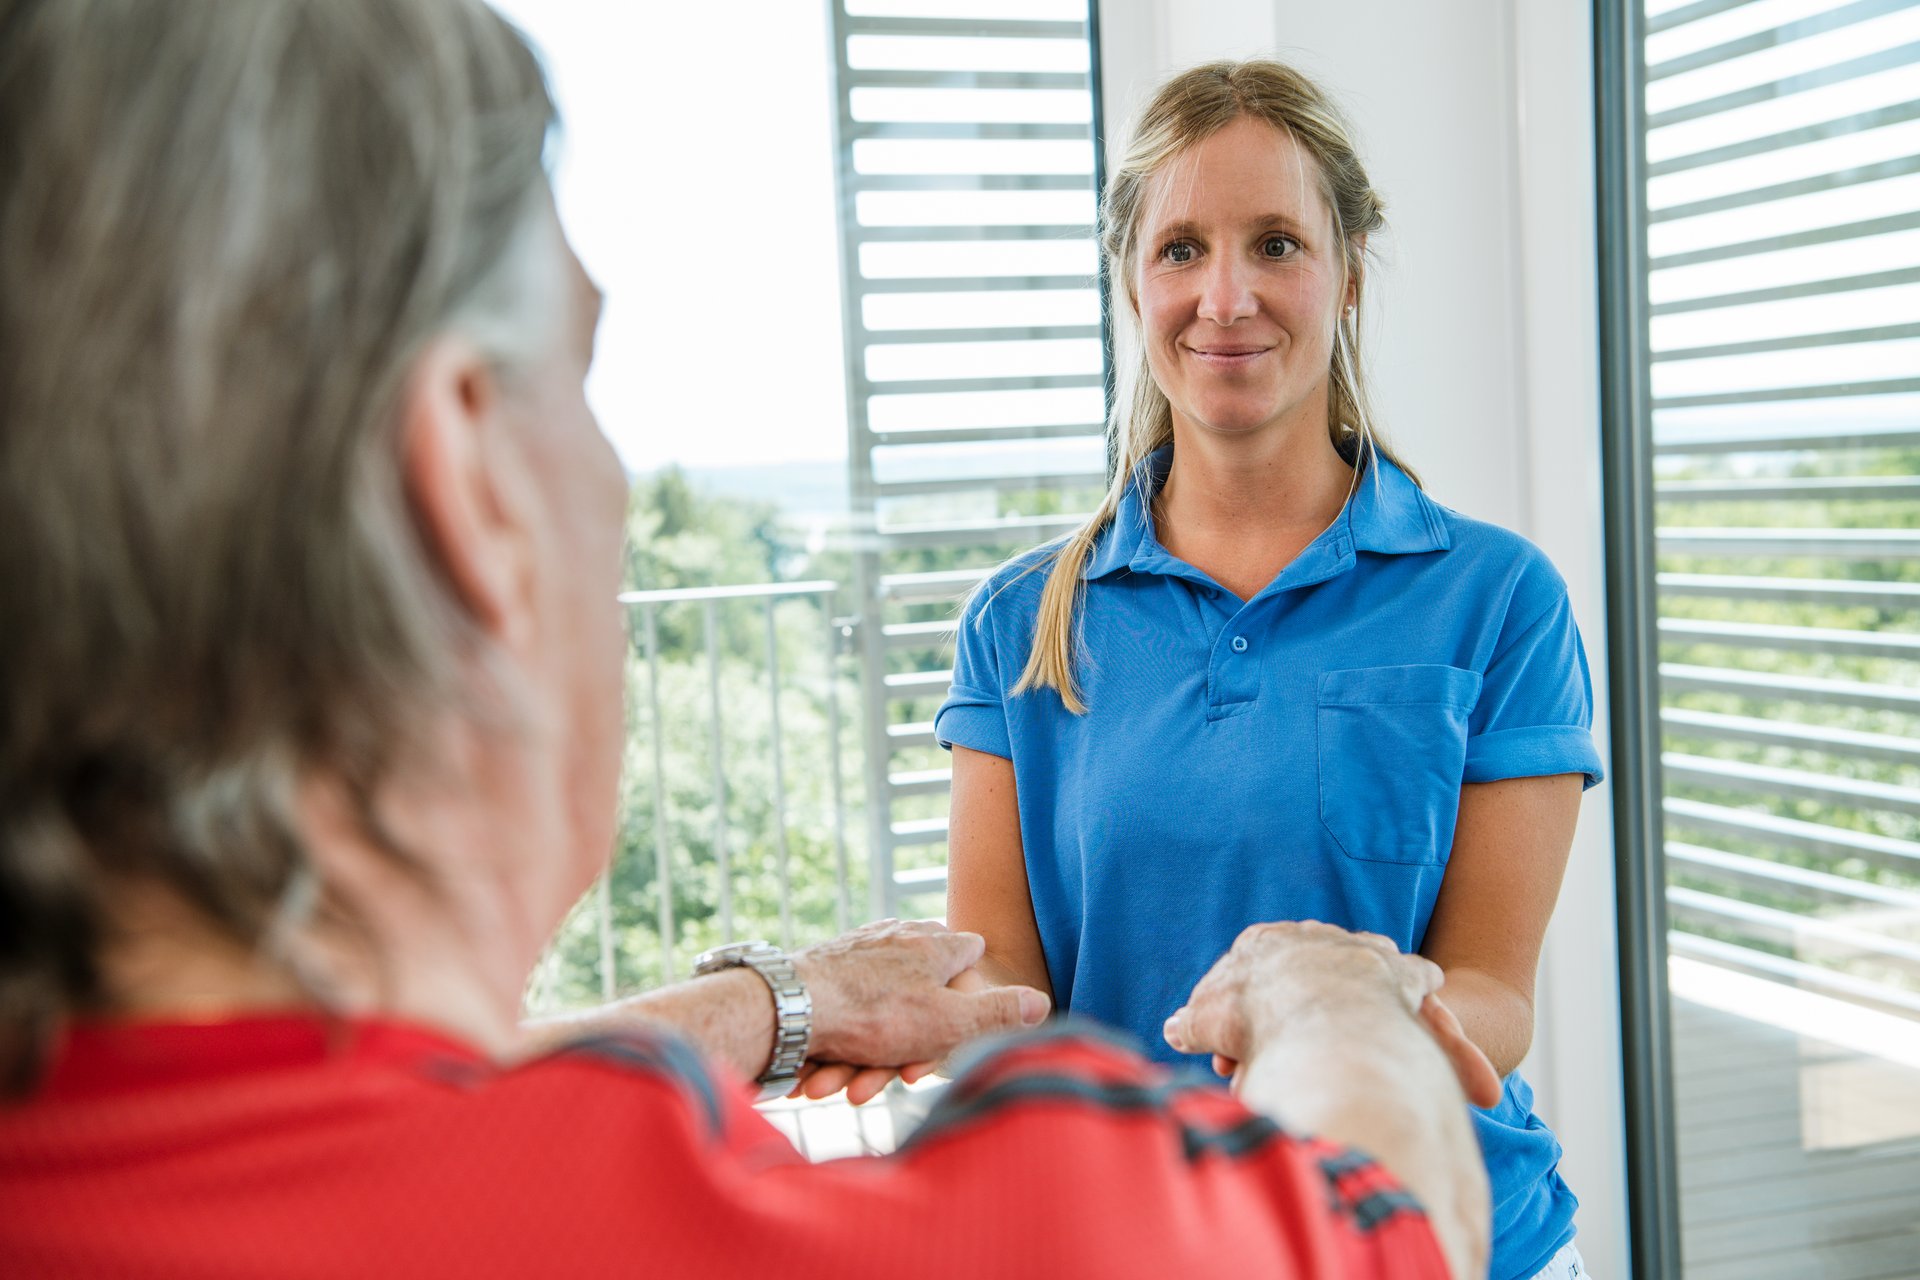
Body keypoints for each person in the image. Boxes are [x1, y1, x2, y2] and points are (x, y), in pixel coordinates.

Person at [0, 3, 1502, 1276]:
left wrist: (771, 1004)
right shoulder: (1000, 1226)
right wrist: (1331, 994)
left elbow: (348, 1119)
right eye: (584, 374)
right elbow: (1383, 1222)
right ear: (466, 483)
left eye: (1276, 245)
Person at [937, 60, 1607, 1280]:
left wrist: (1352, 1011)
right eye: (1181, 249)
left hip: (1443, 1235)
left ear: (1348, 274)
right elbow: (1002, 995)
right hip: (1138, 1246)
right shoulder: (1021, 622)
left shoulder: (1500, 598)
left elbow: (1494, 993)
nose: (1226, 296)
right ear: (1132, 282)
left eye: (1277, 244)